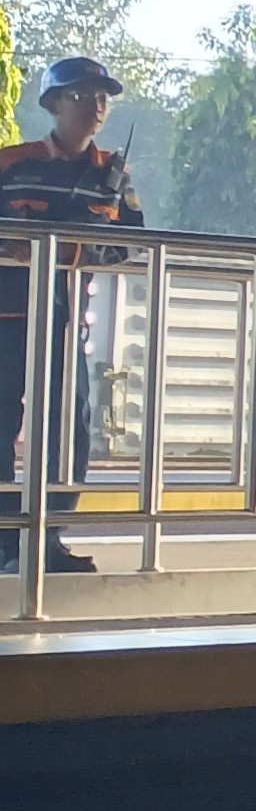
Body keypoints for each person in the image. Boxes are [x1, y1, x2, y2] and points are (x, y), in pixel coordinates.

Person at [0, 56, 144, 575]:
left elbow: (131, 244)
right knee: (0, 424)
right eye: (83, 95)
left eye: (103, 97)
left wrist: (66, 253)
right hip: (7, 319)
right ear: (53, 104)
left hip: (65, 322)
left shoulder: (113, 174)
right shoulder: (11, 164)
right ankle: (4, 541)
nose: (96, 106)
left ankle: (46, 539)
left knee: (68, 431)